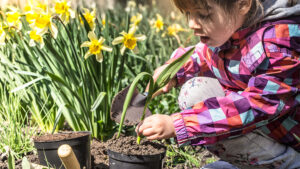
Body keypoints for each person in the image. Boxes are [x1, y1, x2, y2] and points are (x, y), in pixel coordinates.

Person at [136, 0, 300, 168]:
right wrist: (174, 71)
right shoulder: (235, 27)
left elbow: (257, 106)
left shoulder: (278, 45)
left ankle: (288, 164)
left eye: (203, 15)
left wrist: (180, 124)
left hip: (288, 136)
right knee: (194, 92)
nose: (192, 24)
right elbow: (204, 54)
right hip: (267, 130)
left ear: (243, 4)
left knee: (198, 101)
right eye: (188, 14)